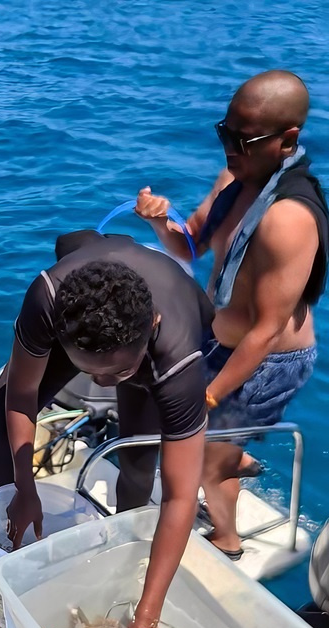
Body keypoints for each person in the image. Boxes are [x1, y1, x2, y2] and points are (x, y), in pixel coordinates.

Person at [0, 230, 214, 628]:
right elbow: (21, 395)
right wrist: (24, 488)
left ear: (154, 327)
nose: (105, 385)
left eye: (116, 372)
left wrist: (145, 622)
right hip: (104, 329)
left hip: (158, 341)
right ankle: (15, 545)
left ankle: (127, 559)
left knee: (140, 464)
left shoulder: (178, 359)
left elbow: (181, 496)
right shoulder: (47, 298)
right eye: (92, 374)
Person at [136, 70, 328, 560]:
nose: (231, 150)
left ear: (287, 141)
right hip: (217, 341)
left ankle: (228, 539)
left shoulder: (288, 219)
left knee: (201, 459)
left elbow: (265, 332)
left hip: (263, 364)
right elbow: (191, 243)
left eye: (245, 141)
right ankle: (234, 454)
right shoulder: (234, 179)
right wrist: (160, 219)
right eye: (225, 134)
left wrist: (208, 396)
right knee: (181, 426)